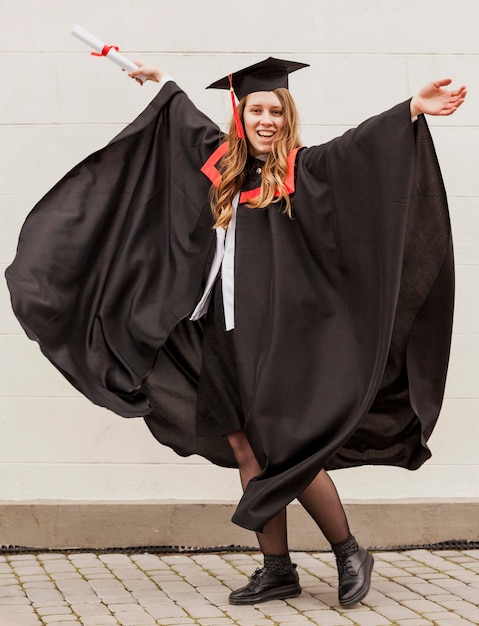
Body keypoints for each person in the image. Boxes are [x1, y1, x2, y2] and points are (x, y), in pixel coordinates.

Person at [5, 56, 466, 609]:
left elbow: (356, 148)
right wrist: (155, 80)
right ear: (240, 114)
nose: (266, 119)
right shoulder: (224, 167)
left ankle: (347, 551)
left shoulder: (305, 169)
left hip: (282, 340)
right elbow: (183, 121)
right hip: (224, 334)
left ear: (287, 116)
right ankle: (277, 570)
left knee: (285, 446)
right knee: (246, 448)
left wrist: (412, 108)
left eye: (275, 110)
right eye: (256, 109)